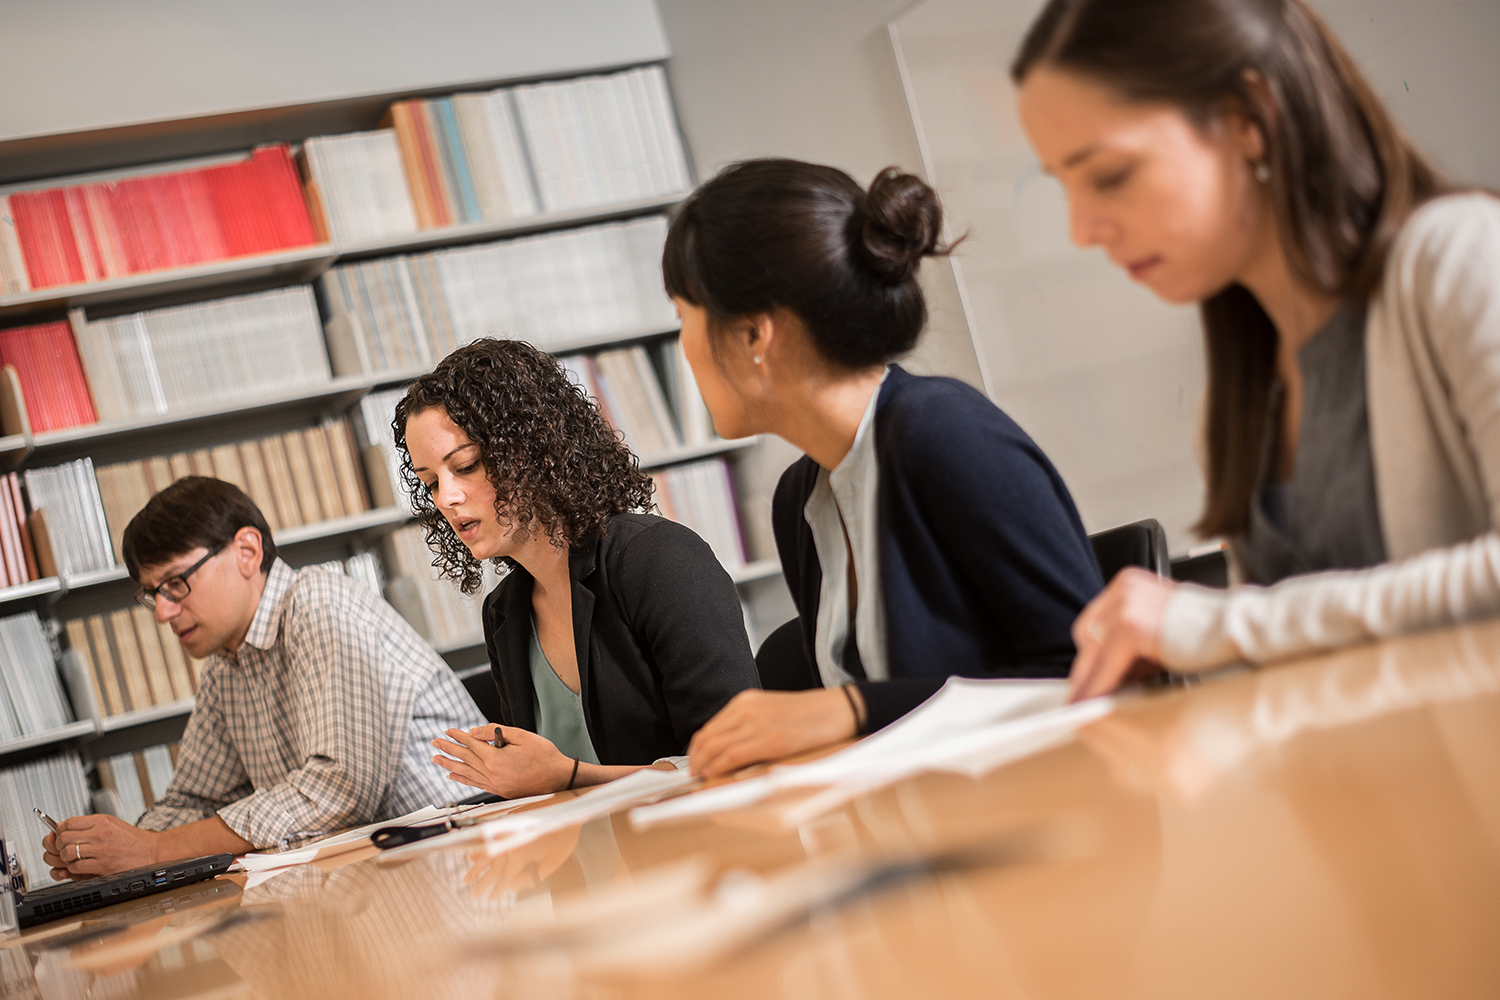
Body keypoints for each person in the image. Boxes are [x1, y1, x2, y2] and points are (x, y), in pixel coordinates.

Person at [1010, 0, 1500, 699]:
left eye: (1111, 175)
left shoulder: (1460, 255)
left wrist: (1221, 626)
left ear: (1248, 117)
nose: (1082, 230)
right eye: (1064, 186)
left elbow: (1261, 623)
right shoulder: (1241, 397)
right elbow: (1285, 654)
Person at [667, 158, 1105, 777]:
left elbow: (1089, 670)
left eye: (683, 318)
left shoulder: (944, 433)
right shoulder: (799, 499)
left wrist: (850, 708)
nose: (682, 347)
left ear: (753, 335)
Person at [42, 477, 485, 879]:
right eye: (152, 593)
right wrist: (109, 854)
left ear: (247, 552)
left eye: (176, 583)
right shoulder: (225, 665)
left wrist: (154, 850)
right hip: (376, 881)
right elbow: (193, 801)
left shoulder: (319, 604)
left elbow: (341, 790)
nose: (162, 612)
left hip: (464, 868)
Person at [396, 338, 760, 797]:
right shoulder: (504, 614)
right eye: (430, 483)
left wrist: (570, 776)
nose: (446, 497)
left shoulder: (657, 559)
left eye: (466, 465)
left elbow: (743, 759)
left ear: (534, 448)